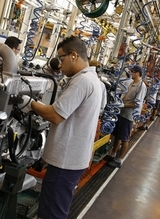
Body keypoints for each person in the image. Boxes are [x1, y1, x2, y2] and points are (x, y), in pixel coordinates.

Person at [18, 35, 102, 219]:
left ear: (73, 55)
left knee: (51, 213)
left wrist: (30, 103)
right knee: (56, 209)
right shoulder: (93, 80)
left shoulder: (83, 81)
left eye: (61, 59)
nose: (60, 65)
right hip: (73, 158)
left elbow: (56, 115)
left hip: (66, 161)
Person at [107, 65, 147, 168]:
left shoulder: (141, 86)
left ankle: (119, 160)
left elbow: (137, 104)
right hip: (121, 112)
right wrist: (119, 102)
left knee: (124, 138)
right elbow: (125, 96)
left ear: (138, 73)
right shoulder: (131, 83)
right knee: (117, 135)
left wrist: (123, 105)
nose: (131, 73)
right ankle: (113, 154)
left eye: (132, 72)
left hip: (129, 115)